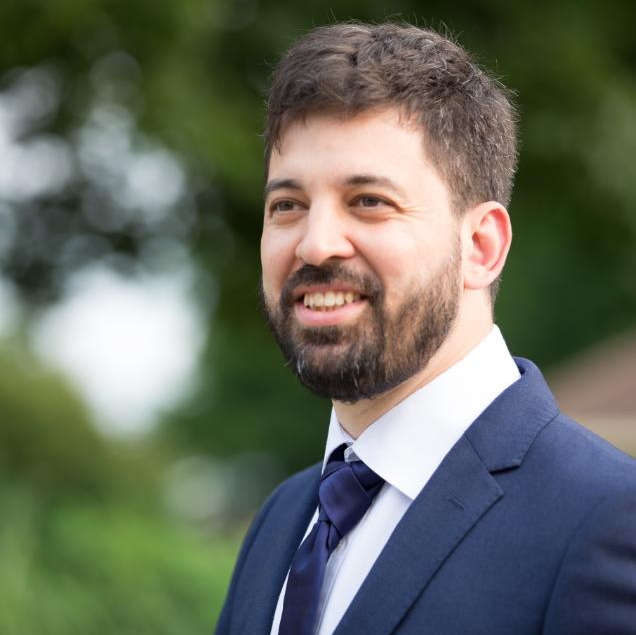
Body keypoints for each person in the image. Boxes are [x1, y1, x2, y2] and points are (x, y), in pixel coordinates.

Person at [215, 22, 636, 635]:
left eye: (369, 201)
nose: (315, 243)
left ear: (481, 247)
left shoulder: (608, 522)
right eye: (288, 205)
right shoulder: (280, 521)